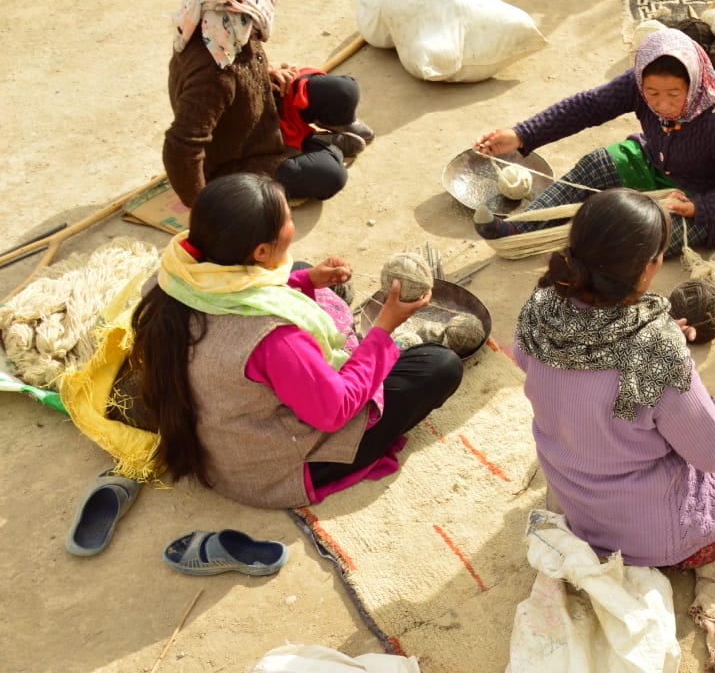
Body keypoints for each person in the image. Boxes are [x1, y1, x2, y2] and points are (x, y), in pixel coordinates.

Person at [127, 173, 463, 508]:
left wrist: (306, 280)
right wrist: (383, 330)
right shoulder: (274, 337)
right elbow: (335, 410)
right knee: (438, 366)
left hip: (218, 431)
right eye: (288, 218)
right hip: (269, 467)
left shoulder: (172, 278)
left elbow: (240, 302)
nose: (292, 223)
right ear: (260, 251)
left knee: (299, 270)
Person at [513, 188, 715, 567]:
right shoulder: (655, 349)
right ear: (650, 266)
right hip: (651, 537)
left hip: (578, 503)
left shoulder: (541, 307)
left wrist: (658, 349)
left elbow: (550, 366)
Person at [474, 28, 715, 255]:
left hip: (704, 199)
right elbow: (588, 106)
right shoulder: (638, 83)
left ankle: (580, 254)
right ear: (642, 81)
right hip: (656, 161)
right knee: (597, 164)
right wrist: (522, 134)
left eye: (673, 94)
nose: (662, 105)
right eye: (652, 93)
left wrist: (702, 207)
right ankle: (518, 228)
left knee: (632, 243)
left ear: (693, 82)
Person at [163, 0, 376, 207]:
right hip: (239, 156)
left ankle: (316, 142)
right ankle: (317, 145)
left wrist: (269, 73)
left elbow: (241, 72)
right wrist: (201, 205)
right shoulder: (213, 76)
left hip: (262, 113)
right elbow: (181, 146)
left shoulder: (223, 28)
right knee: (331, 173)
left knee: (343, 90)